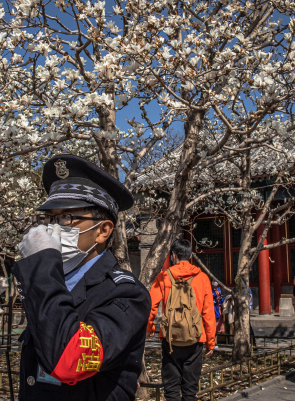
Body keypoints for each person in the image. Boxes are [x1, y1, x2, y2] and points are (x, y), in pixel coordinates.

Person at [14, 154, 151, 401]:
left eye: (67, 218)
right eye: (52, 218)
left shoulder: (127, 293)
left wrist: (43, 267)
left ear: (103, 231)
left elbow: (70, 359)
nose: (53, 228)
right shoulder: (57, 281)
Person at [147, 239, 216, 401]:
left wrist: (149, 328)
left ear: (173, 255)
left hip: (170, 338)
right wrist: (210, 342)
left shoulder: (163, 277)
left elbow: (151, 305)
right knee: (190, 391)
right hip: (196, 338)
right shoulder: (202, 278)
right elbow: (208, 313)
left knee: (171, 389)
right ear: (190, 255)